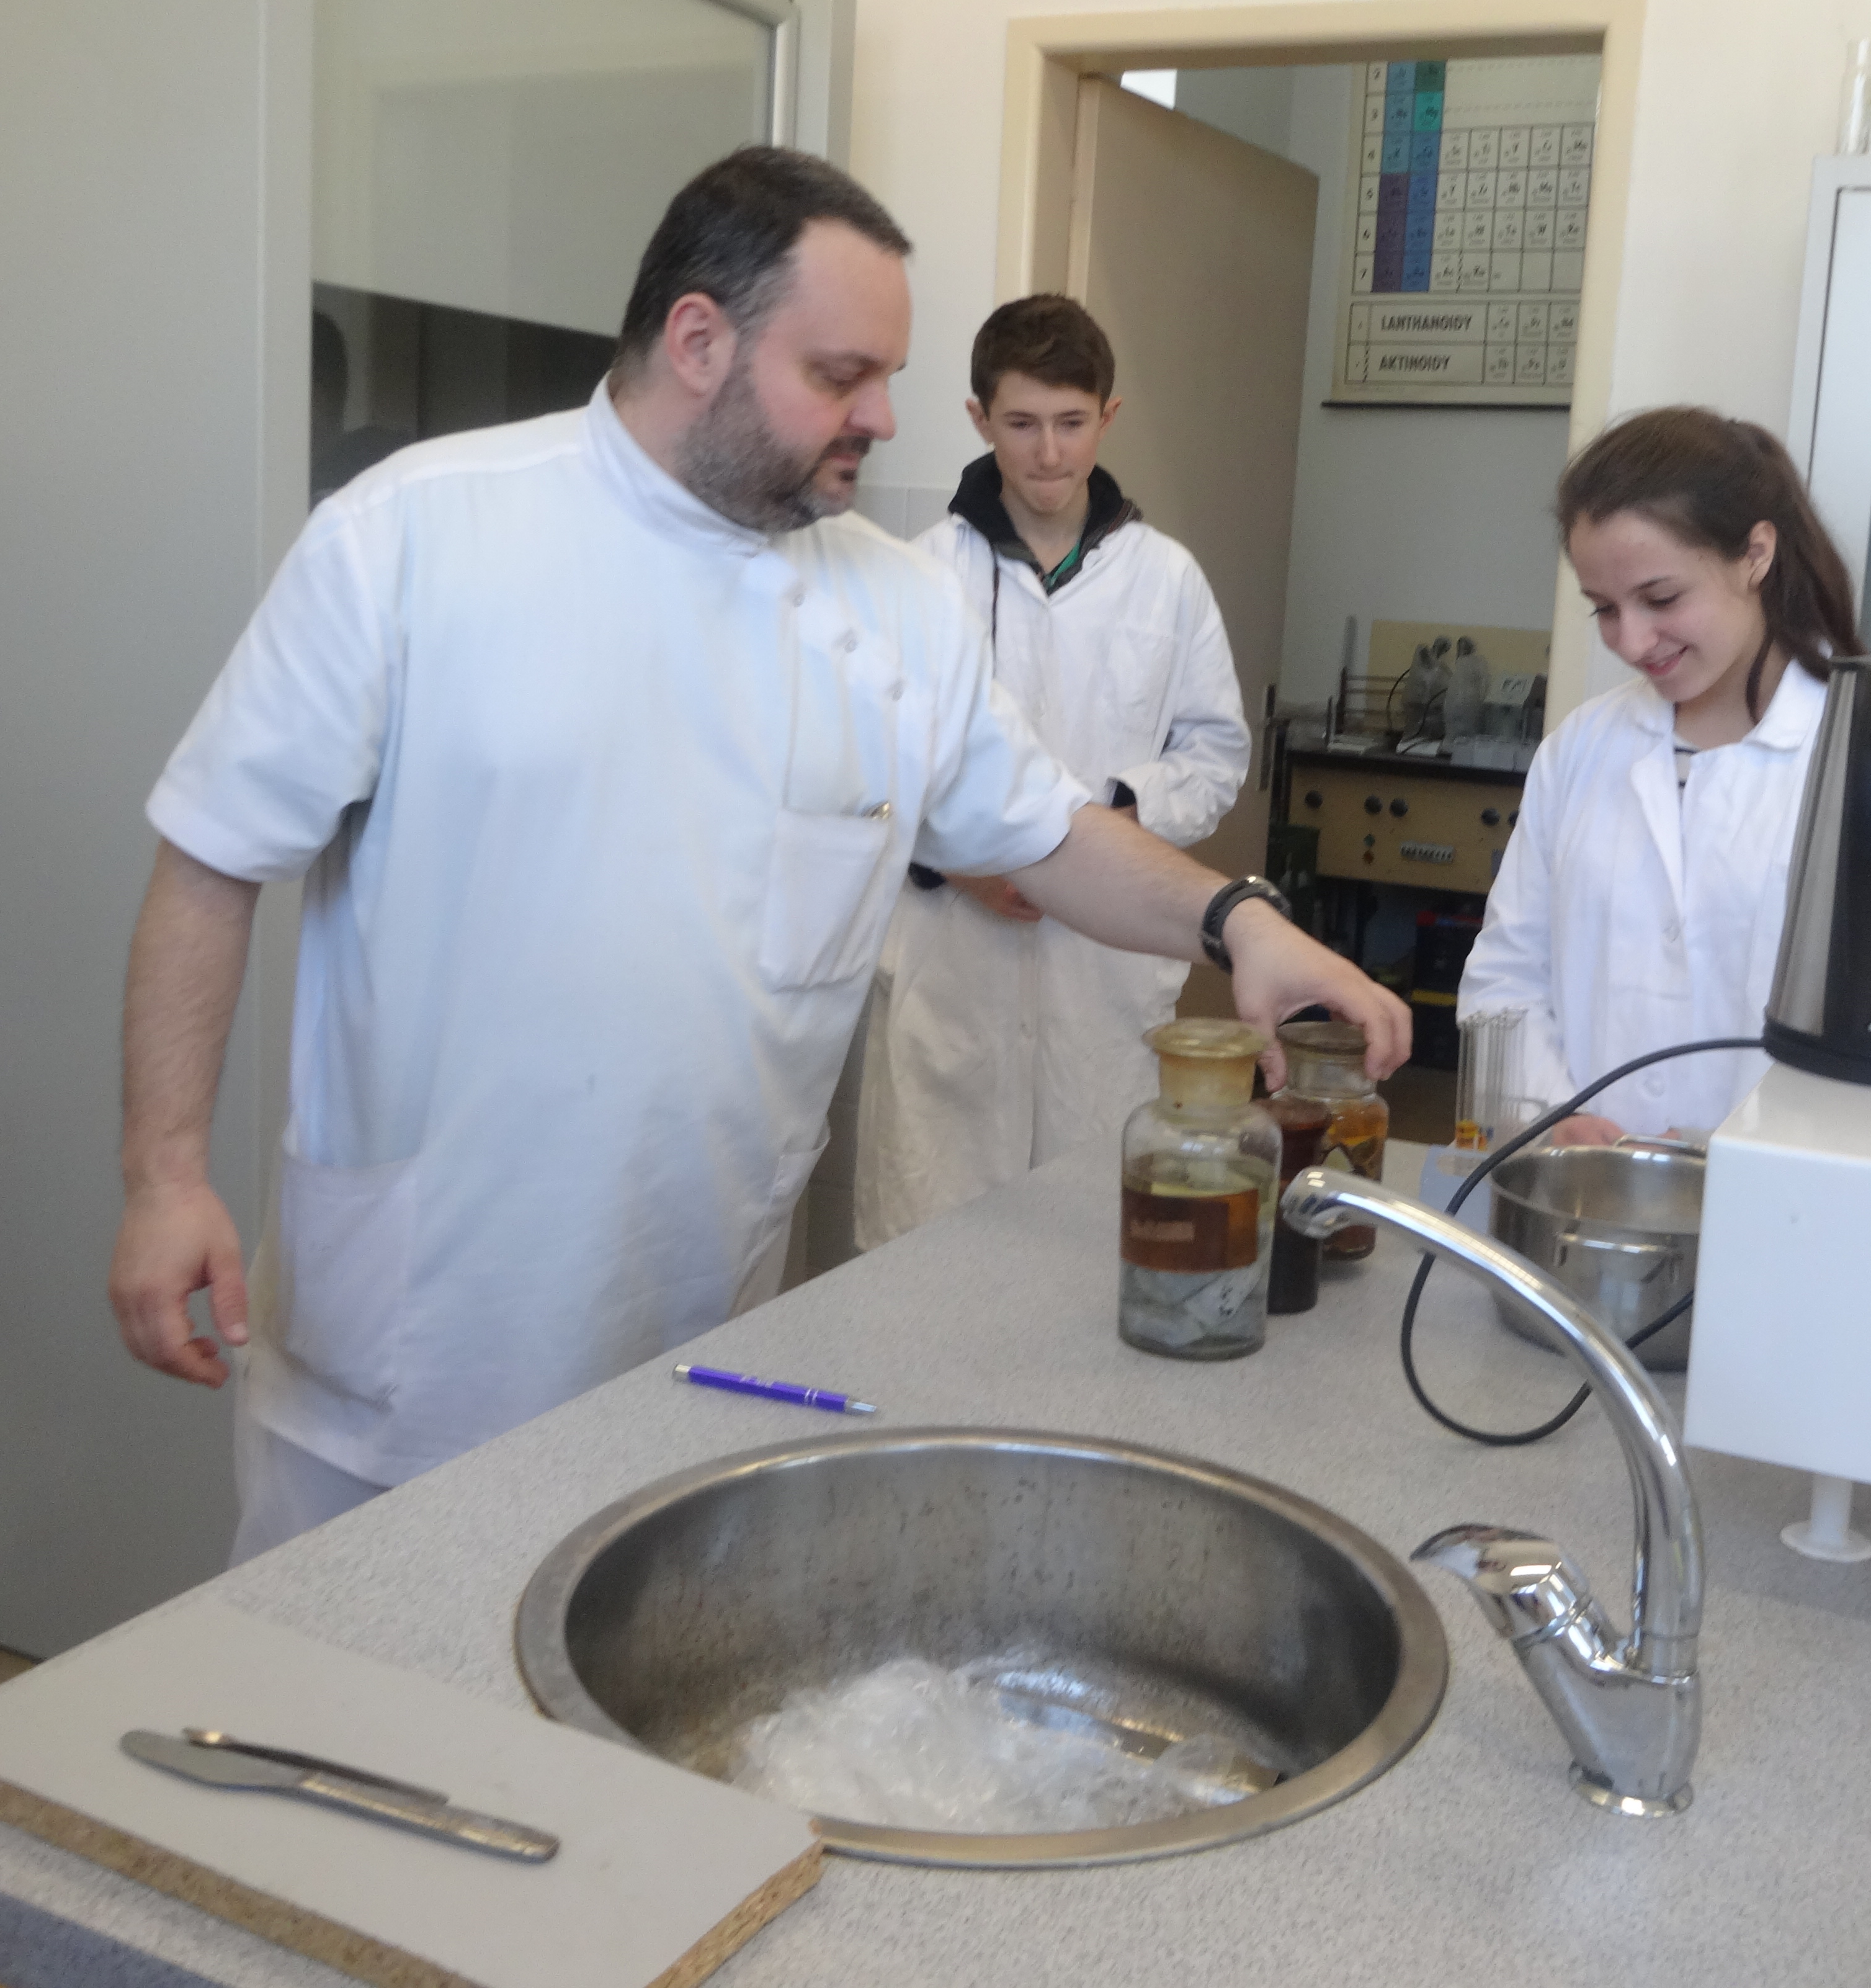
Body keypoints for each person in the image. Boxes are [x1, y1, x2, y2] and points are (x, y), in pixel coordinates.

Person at [109, 147, 1408, 1560]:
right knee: (346, 1669)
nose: (883, 417)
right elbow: (212, 858)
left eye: (888, 377)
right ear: (698, 340)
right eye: (842, 375)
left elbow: (1046, 833)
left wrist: (1241, 922)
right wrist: (166, 1174)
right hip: (416, 1338)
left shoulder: (895, 609)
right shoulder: (414, 536)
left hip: (698, 1338)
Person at [852, 297, 1249, 1249]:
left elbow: (1214, 755)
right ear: (979, 418)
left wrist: (1101, 822)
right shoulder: (917, 577)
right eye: (1022, 424)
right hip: (953, 970)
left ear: (1108, 417)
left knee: (1089, 1247)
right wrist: (960, 865)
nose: (1048, 453)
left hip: (1104, 978)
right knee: (932, 1252)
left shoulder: (1167, 580)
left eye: (1072, 423)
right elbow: (864, 771)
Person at [1457, 406, 1862, 1144]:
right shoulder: (1582, 751)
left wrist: (1744, 1158)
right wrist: (1557, 1121)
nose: (1632, 640)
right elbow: (1505, 979)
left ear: (1756, 554)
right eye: (1604, 610)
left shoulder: (1856, 758)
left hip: (1775, 1194)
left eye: (1662, 599)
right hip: (1581, 1191)